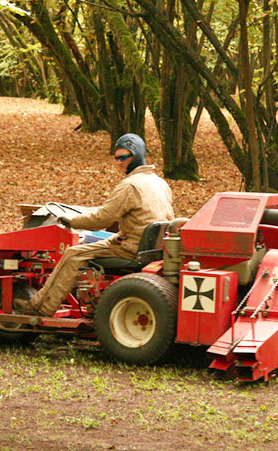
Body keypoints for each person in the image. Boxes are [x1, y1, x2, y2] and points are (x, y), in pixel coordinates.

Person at [14, 133, 174, 317]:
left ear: (136, 155)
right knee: (94, 245)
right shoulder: (159, 182)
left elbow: (102, 220)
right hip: (150, 247)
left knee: (73, 254)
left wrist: (71, 221)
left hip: (131, 248)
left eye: (123, 157)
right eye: (116, 158)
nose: (119, 162)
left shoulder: (130, 185)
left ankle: (40, 307)